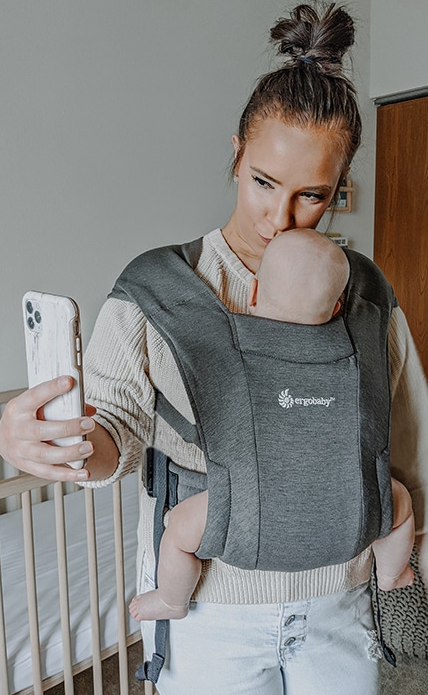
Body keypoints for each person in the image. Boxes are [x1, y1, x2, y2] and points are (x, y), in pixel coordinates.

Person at [0, 1, 428, 694]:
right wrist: (59, 443)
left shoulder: (368, 295)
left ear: (338, 189)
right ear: (236, 153)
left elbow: (405, 443)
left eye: (311, 196)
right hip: (210, 613)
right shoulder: (156, 289)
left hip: (337, 607)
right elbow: (116, 431)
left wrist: (401, 564)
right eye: (262, 182)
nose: (277, 217)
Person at [128, 229, 415, 624]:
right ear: (336, 309)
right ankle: (392, 572)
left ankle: (172, 600)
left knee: (178, 530)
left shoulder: (229, 344)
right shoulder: (355, 347)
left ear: (255, 292)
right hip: (351, 517)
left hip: (245, 515)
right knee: (398, 501)